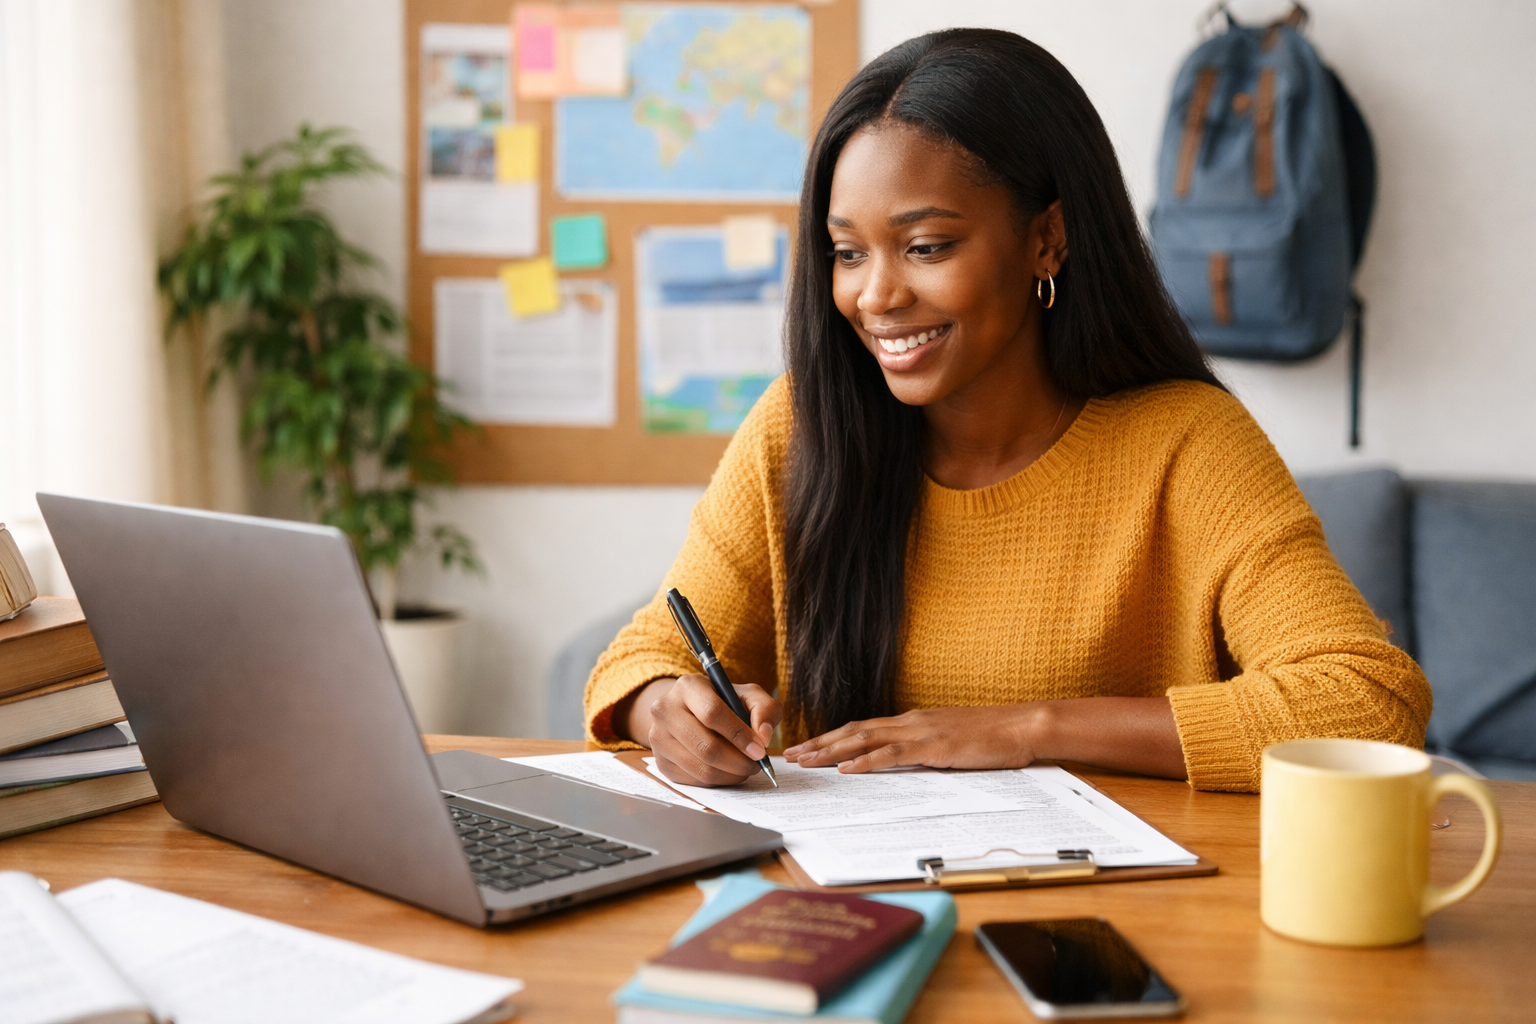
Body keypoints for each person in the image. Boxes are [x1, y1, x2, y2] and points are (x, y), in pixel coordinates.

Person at [583, 28, 1430, 793]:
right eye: (847, 252)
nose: (876, 295)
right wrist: (664, 711)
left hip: (1105, 930)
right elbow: (642, 658)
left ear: (1047, 238)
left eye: (927, 246)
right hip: (846, 910)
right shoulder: (804, 427)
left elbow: (1366, 699)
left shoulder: (1185, 443)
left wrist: (1024, 729)